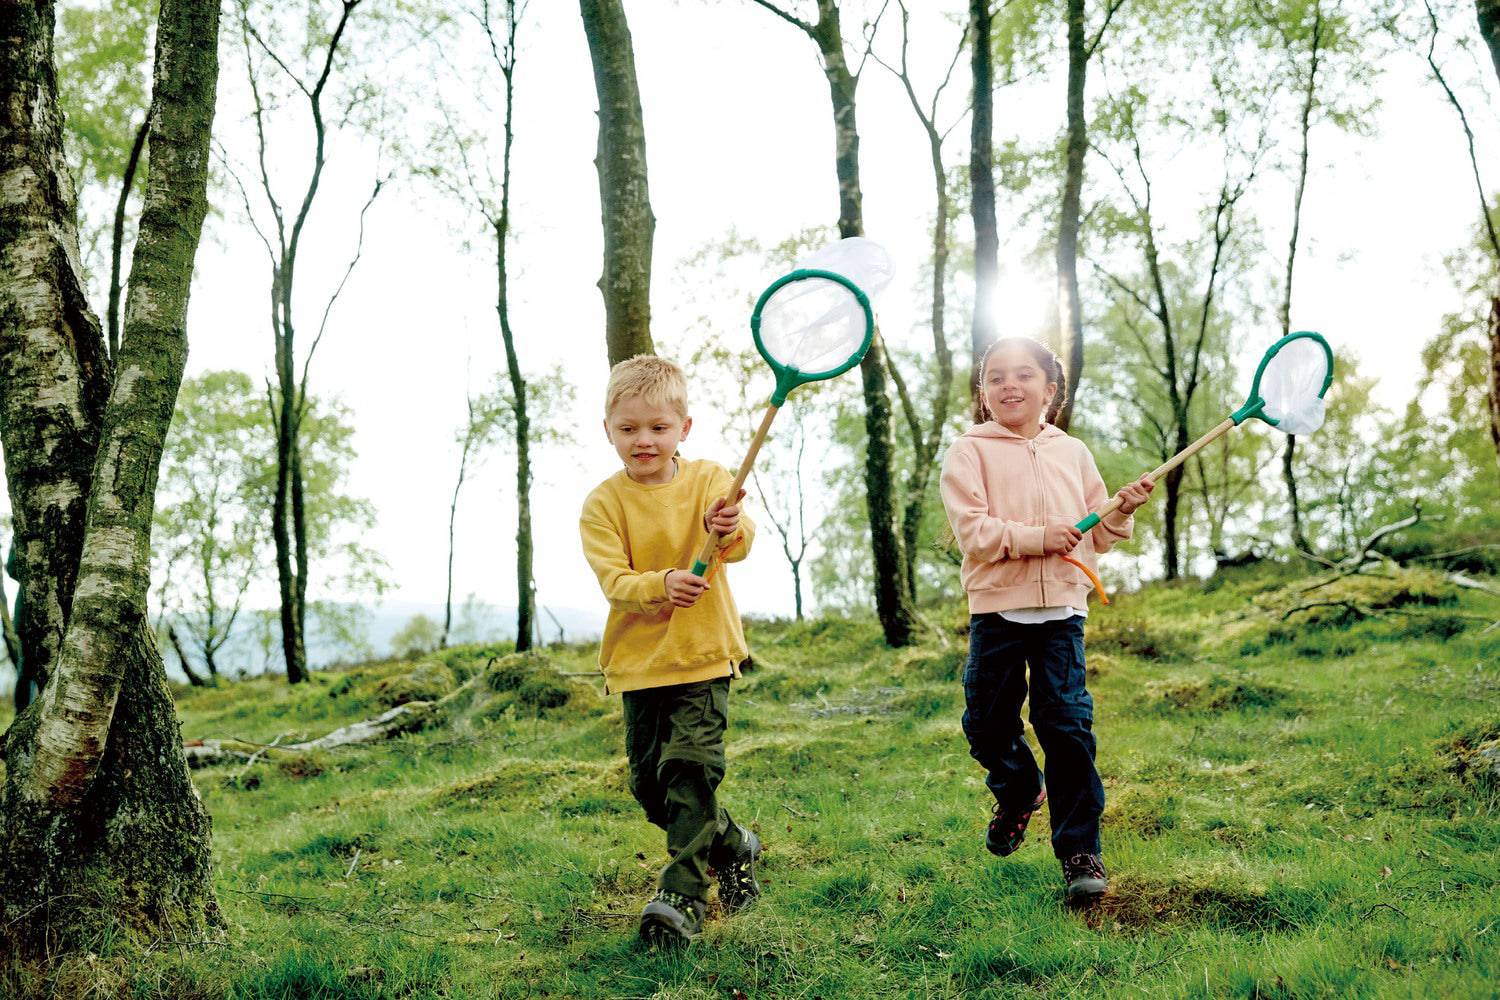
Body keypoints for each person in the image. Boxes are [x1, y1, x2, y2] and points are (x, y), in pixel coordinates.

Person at [939, 337, 1154, 904]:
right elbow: (974, 534)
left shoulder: (1073, 453)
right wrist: (1038, 538)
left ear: (1050, 390)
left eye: (1025, 375)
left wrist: (1123, 510)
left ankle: (1081, 852)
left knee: (1067, 727)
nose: (1011, 385)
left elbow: (1099, 534)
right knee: (986, 724)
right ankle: (1018, 791)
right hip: (997, 609)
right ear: (984, 394)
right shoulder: (969, 452)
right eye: (996, 377)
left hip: (1062, 610)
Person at [579, 354, 762, 944]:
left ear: (684, 428)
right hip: (637, 665)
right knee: (652, 789)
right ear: (608, 429)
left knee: (690, 769)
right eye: (628, 428)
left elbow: (740, 543)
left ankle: (681, 896)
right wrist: (661, 584)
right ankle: (734, 846)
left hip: (704, 654)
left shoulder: (710, 480)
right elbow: (615, 583)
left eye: (658, 428)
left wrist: (729, 525)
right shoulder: (603, 504)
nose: (643, 441)